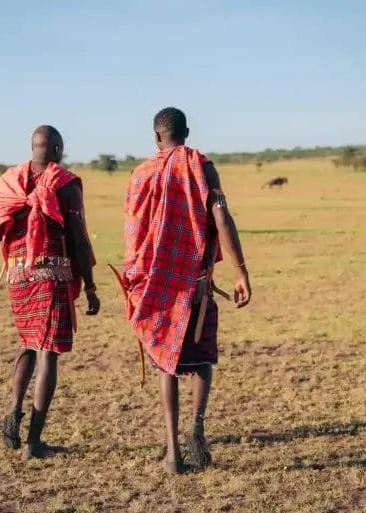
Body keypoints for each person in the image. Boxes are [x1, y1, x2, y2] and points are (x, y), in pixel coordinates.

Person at [121, 107, 251, 473]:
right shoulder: (201, 166)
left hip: (155, 290)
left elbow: (133, 234)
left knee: (166, 365)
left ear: (155, 137)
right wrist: (241, 272)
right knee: (202, 360)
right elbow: (221, 217)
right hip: (196, 287)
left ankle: (172, 453)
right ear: (187, 132)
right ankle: (197, 426)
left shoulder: (140, 174)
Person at [0, 125, 100, 459]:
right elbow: (78, 238)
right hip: (51, 274)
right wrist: (90, 286)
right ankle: (33, 443)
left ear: (34, 147)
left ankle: (13, 411)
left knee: (28, 344)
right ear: (57, 148)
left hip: (17, 276)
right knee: (48, 353)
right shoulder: (65, 184)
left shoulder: (10, 181)